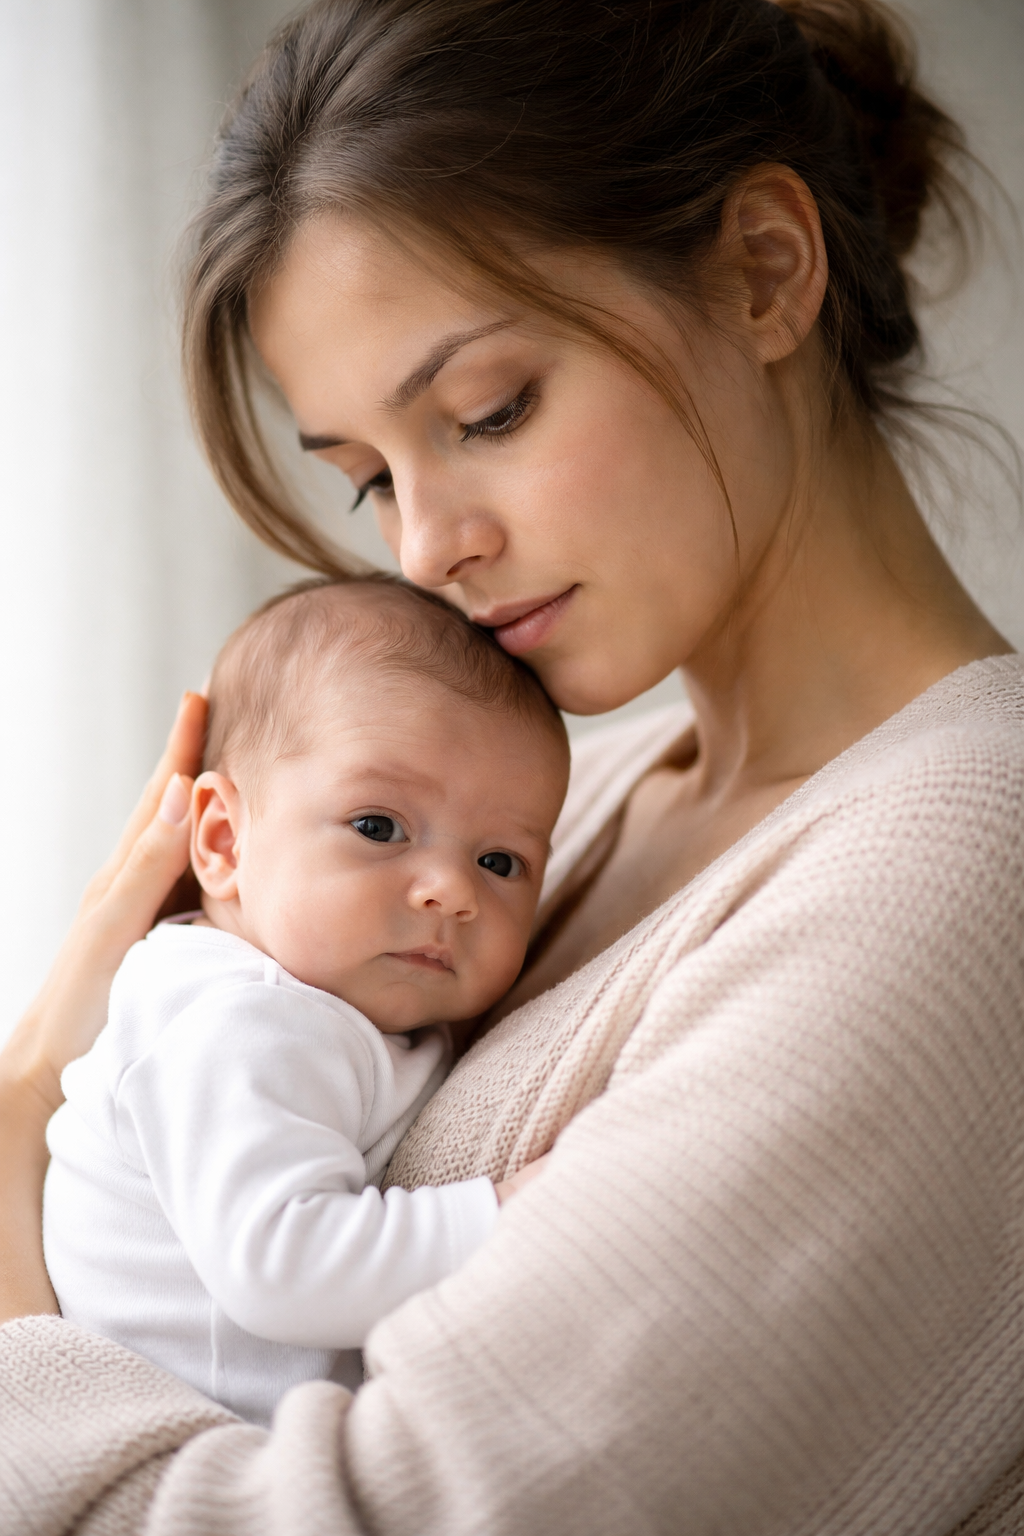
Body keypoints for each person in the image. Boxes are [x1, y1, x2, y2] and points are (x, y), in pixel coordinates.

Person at [0, 0, 1022, 1532]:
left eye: (489, 411)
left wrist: (10, 1185)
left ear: (765, 270)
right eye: (369, 484)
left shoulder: (955, 878)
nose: (429, 546)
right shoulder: (572, 806)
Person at [41, 577, 567, 1426]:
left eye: (500, 862)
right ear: (221, 840)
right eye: (378, 827)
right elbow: (280, 1263)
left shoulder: (327, 1001)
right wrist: (504, 1216)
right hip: (194, 1451)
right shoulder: (238, 1020)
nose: (451, 892)